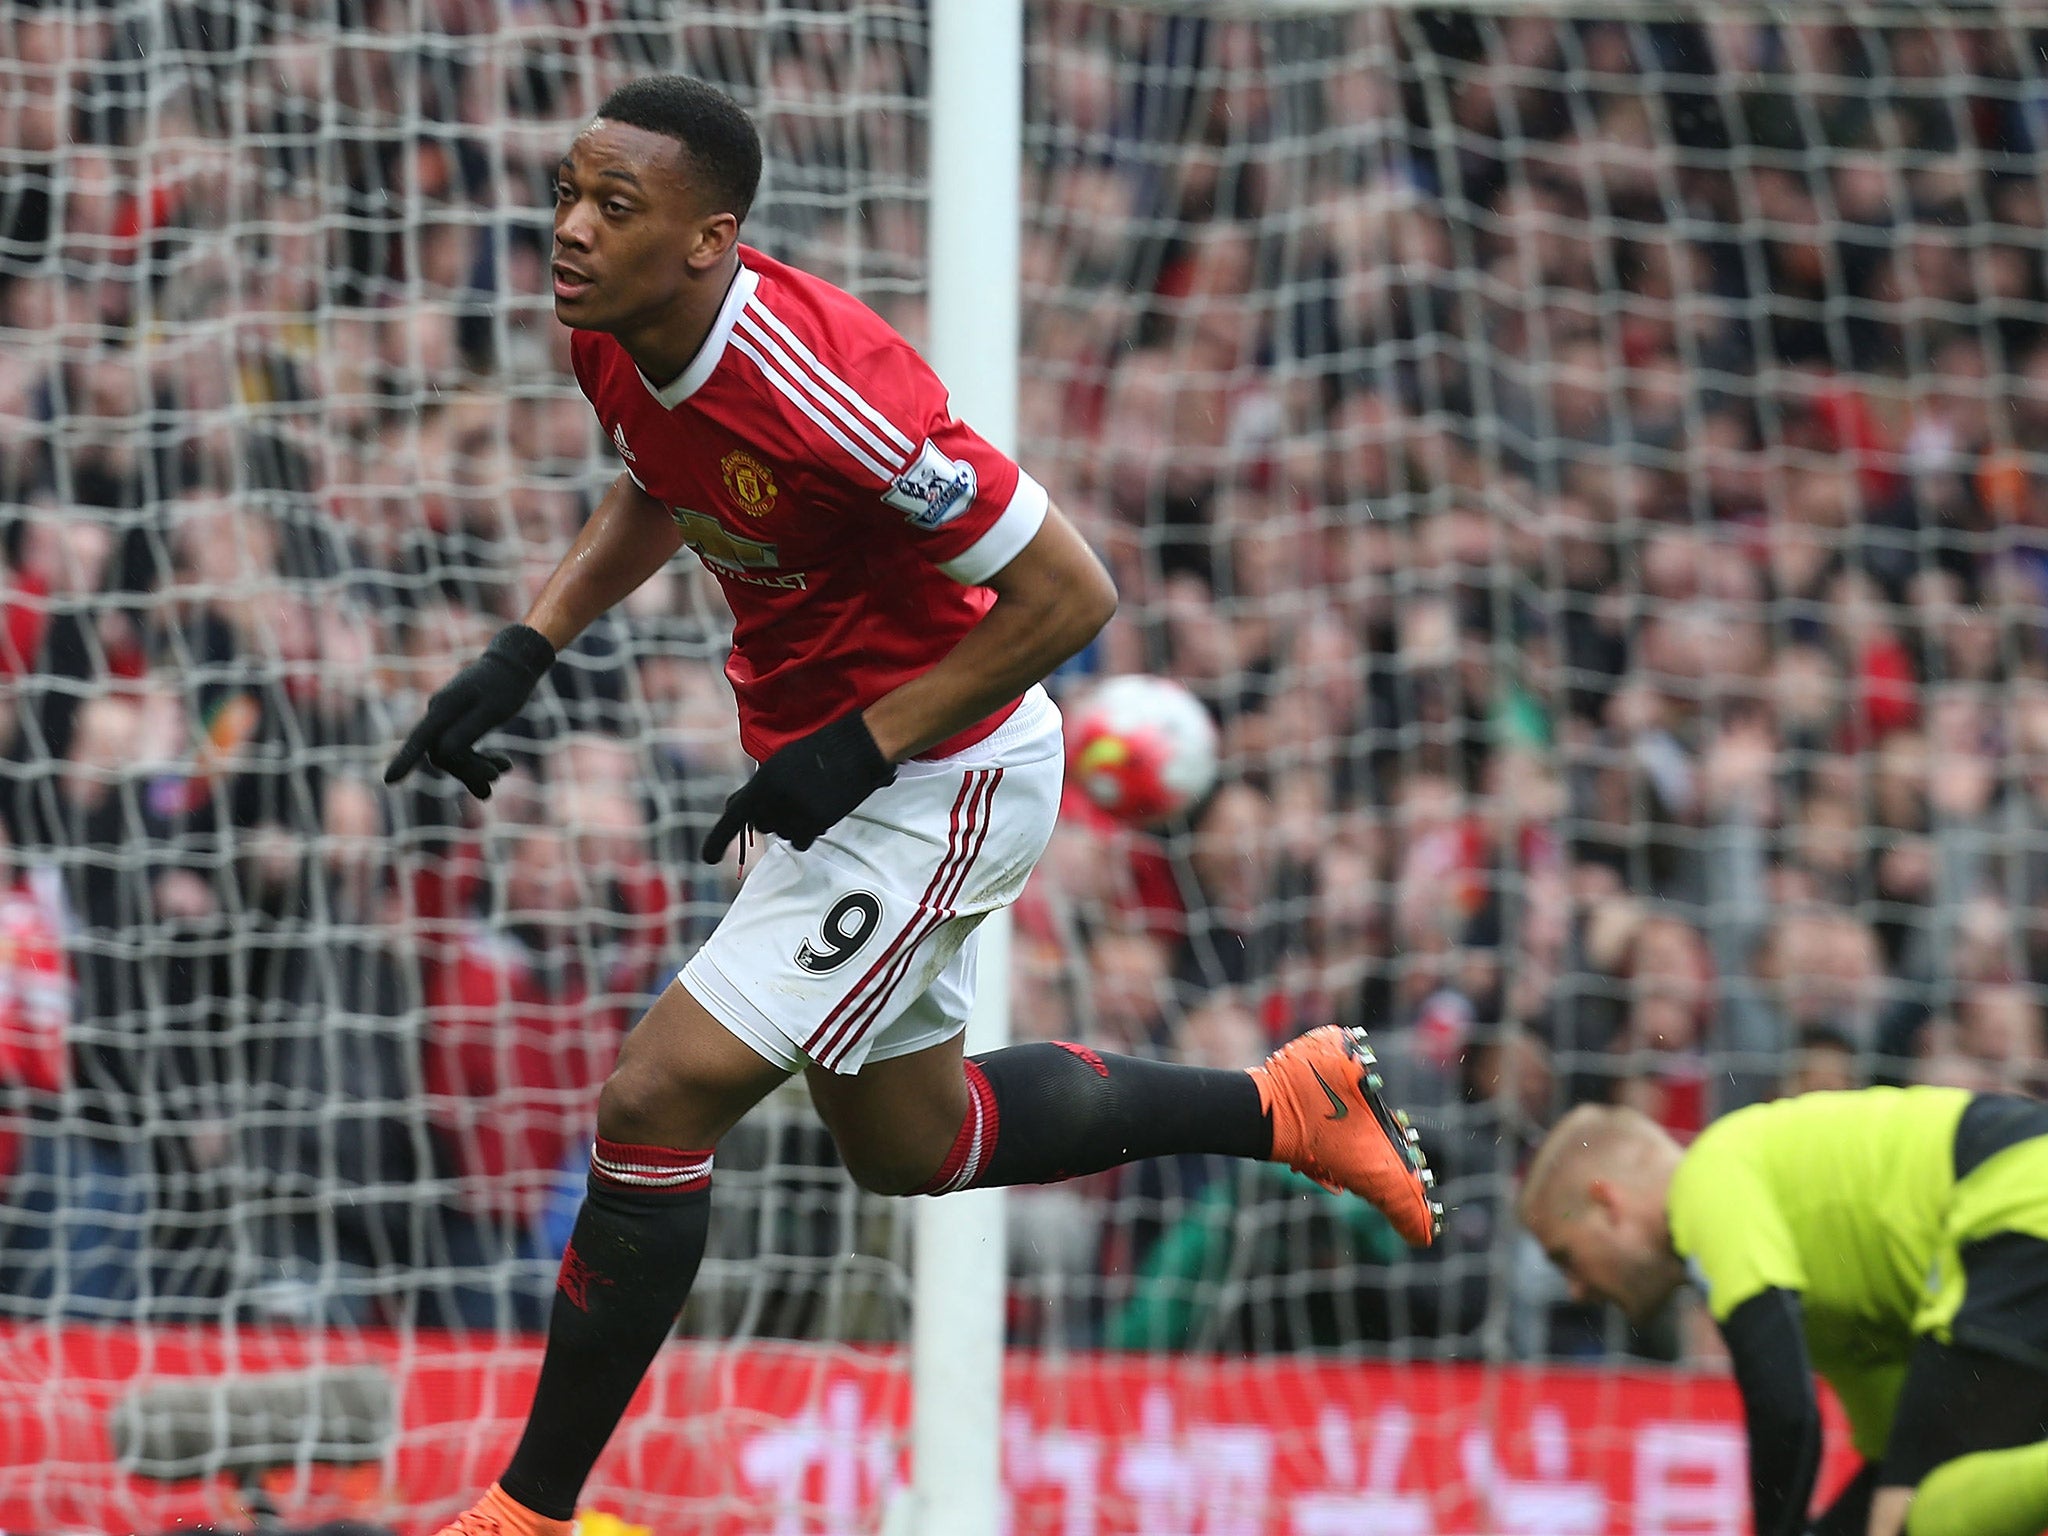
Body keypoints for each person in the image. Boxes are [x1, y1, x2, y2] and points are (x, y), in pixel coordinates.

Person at [385, 75, 1442, 1536]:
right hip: (856, 770)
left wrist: (856, 752)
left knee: (654, 1096)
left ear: (713, 238)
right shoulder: (612, 330)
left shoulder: (831, 388)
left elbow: (1071, 594)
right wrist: (526, 647)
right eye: (567, 191)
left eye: (612, 207)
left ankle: (527, 1513)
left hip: (946, 770)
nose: (569, 228)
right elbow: (659, 484)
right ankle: (1288, 1103)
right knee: (911, 1147)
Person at [1518, 1090, 2048, 1536]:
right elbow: (1895, 1456)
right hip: (2014, 1203)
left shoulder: (1707, 1178)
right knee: (1909, 1509)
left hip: (2015, 1196)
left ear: (1608, 1204)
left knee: (1908, 1514)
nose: (1577, 1289)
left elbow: (1784, 1408)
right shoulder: (1829, 1282)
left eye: (1566, 1256)